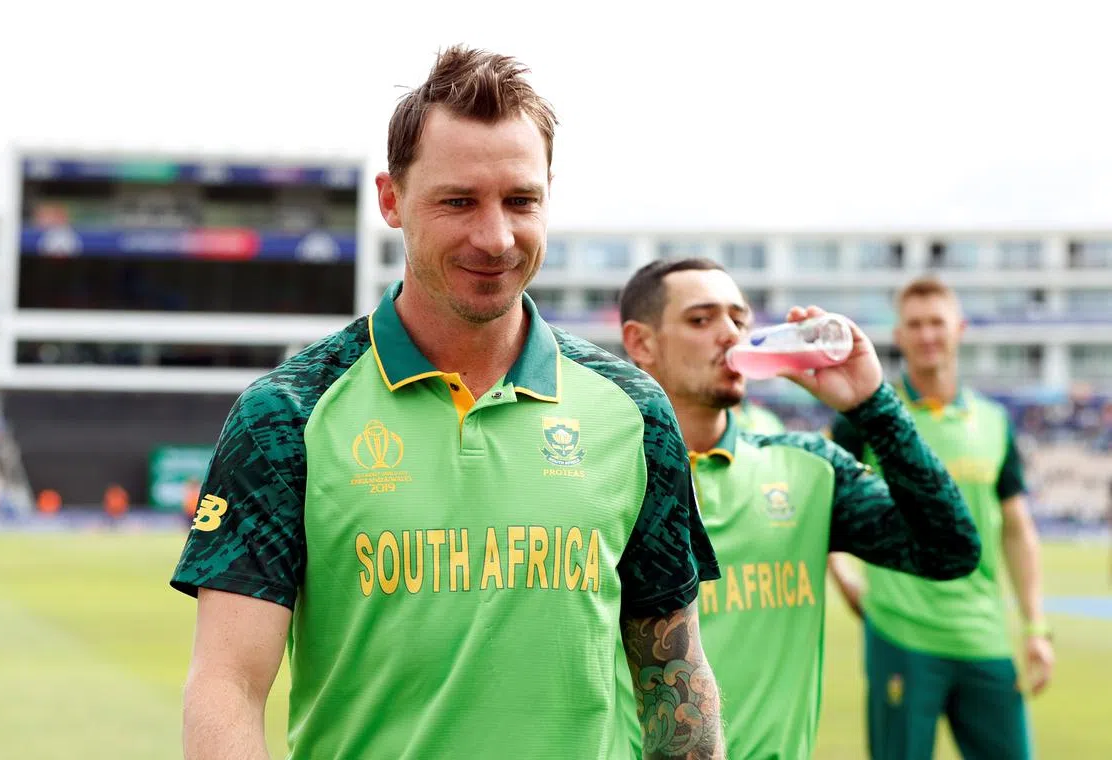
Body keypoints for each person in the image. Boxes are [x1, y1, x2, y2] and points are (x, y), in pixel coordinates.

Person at [170, 46, 725, 760]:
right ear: (392, 199)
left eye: (520, 200)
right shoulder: (288, 417)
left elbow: (672, 676)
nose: (494, 238)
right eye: (458, 201)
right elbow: (229, 687)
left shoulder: (633, 413)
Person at [617, 258, 981, 760]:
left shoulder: (809, 468)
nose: (731, 335)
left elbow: (951, 551)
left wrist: (873, 403)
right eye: (702, 320)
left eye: (739, 320)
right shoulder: (601, 475)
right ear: (641, 343)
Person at [828, 275, 1054, 760]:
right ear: (899, 335)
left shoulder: (994, 421)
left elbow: (1017, 528)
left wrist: (1035, 628)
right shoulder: (866, 415)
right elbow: (823, 500)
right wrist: (842, 574)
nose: (928, 335)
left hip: (984, 633)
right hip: (901, 632)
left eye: (937, 322)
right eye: (915, 324)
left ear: (960, 328)